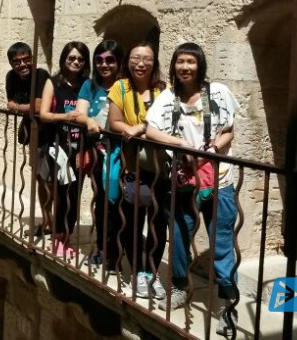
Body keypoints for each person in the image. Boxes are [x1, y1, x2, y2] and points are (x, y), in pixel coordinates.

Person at [145, 42, 240, 336]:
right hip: (183, 181)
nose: (185, 67)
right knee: (179, 234)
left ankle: (228, 306)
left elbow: (229, 131)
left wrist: (212, 149)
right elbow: (151, 130)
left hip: (219, 178)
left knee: (221, 241)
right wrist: (181, 144)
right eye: (180, 62)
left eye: (190, 62)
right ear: (173, 65)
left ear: (200, 65)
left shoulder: (218, 93)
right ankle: (180, 286)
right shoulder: (167, 97)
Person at [106, 40, 169, 300]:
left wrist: (142, 128)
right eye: (135, 58)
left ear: (154, 63)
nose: (141, 63)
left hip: (161, 169)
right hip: (134, 167)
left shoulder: (164, 90)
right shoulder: (120, 87)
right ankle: (139, 273)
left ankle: (153, 273)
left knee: (158, 225)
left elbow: (169, 122)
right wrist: (131, 129)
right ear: (128, 62)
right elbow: (115, 122)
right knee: (132, 223)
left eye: (146, 59)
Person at [73, 39, 124, 267]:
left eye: (110, 60)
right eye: (99, 60)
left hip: (122, 155)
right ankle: (104, 250)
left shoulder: (124, 86)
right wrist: (89, 121)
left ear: (118, 62)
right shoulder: (90, 85)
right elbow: (79, 113)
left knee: (120, 204)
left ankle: (118, 250)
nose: (104, 64)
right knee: (103, 203)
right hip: (98, 153)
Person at [39, 41, 90, 257]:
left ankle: (67, 237)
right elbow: (44, 114)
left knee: (74, 195)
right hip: (59, 146)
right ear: (64, 59)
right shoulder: (54, 83)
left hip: (80, 147)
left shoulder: (87, 85)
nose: (75, 62)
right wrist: (65, 116)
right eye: (71, 58)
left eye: (80, 59)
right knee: (62, 193)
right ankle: (58, 237)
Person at [4, 42, 54, 237]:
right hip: (35, 132)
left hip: (51, 132)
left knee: (51, 181)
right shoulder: (11, 77)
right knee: (40, 178)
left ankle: (55, 223)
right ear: (11, 63)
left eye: (26, 59)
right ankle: (48, 222)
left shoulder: (40, 75)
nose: (22, 64)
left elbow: (39, 106)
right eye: (17, 61)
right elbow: (10, 101)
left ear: (32, 58)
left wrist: (18, 107)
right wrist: (25, 107)